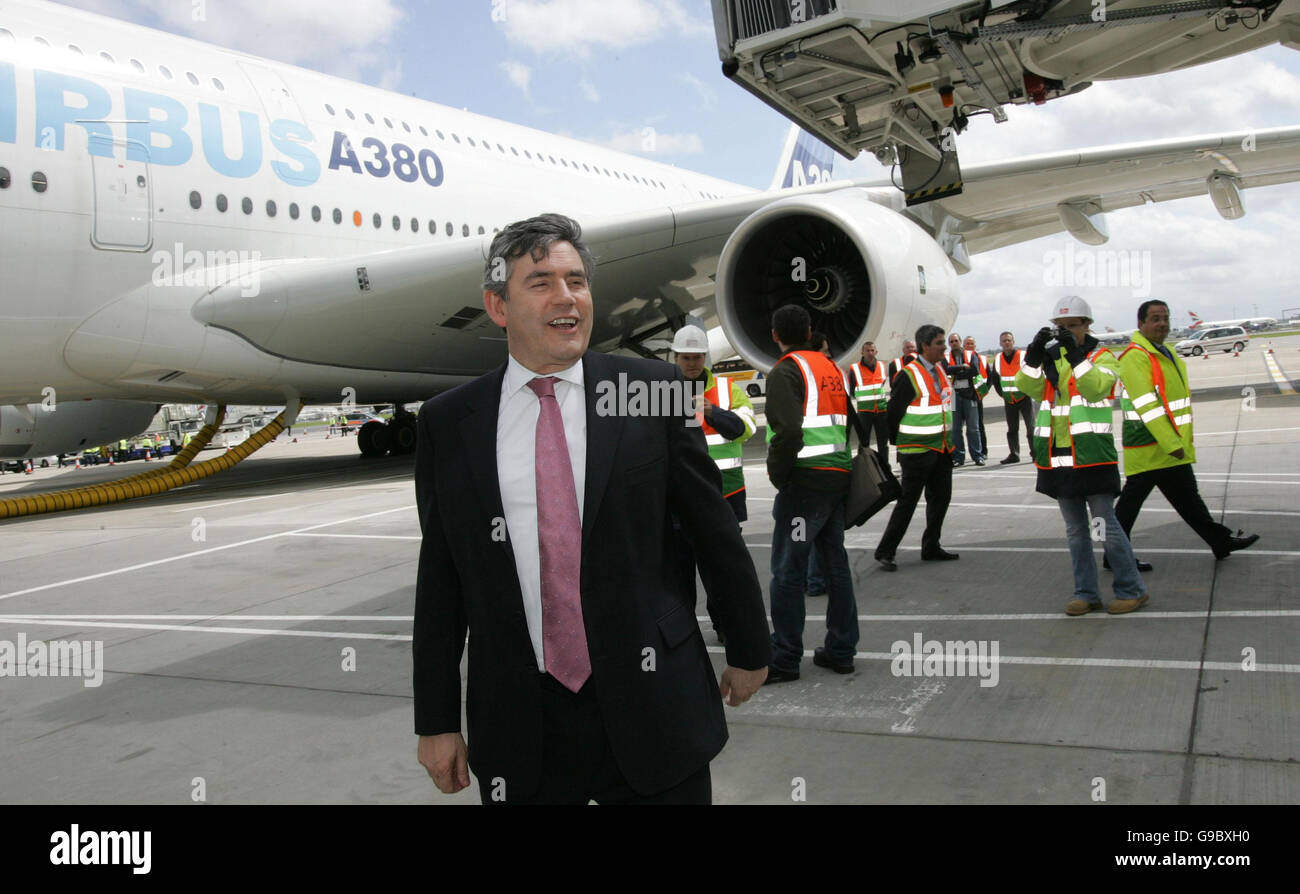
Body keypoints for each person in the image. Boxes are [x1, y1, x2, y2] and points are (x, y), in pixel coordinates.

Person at [413, 213, 770, 805]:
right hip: (523, 727)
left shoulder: (653, 392)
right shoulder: (450, 423)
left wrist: (749, 646)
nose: (567, 298)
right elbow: (442, 579)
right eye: (542, 282)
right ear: (498, 306)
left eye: (577, 280)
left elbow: (713, 531)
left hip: (657, 705)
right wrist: (437, 719)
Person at [1015, 297, 1148, 615]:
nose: (1066, 331)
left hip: (1092, 455)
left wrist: (1076, 358)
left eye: (1073, 325)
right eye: (1061, 326)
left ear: (1088, 324)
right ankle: (1086, 593)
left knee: (1106, 525)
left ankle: (1131, 589)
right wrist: (1032, 360)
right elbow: (1026, 389)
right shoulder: (1053, 358)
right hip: (1059, 457)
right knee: (1076, 531)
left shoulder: (1103, 356)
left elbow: (1097, 389)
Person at [1113, 299, 1260, 564]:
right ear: (1141, 324)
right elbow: (1148, 405)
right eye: (1155, 318)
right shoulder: (1136, 357)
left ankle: (1220, 542)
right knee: (1130, 507)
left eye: (1165, 318)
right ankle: (1116, 555)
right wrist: (1172, 443)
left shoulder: (1165, 352)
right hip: (1151, 448)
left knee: (1188, 501)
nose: (1162, 323)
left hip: (1167, 447)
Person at [764, 304, 860, 682]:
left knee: (787, 571)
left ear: (775, 335)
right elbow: (848, 419)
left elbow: (787, 432)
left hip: (805, 486)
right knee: (835, 566)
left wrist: (779, 475)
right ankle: (841, 649)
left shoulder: (786, 370)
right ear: (808, 331)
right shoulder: (830, 367)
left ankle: (785, 656)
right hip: (837, 478)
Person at [670, 323, 758, 643]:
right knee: (679, 571)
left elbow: (746, 428)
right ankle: (684, 630)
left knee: (722, 568)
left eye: (697, 357)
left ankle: (725, 626)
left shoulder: (726, 390)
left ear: (705, 357)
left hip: (724, 493)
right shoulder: (659, 393)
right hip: (678, 499)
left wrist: (713, 412)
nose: (692, 363)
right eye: (686, 357)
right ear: (675, 357)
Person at [874, 324, 959, 570]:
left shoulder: (941, 371)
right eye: (940, 343)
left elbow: (946, 406)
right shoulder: (908, 375)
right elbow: (893, 414)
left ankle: (931, 546)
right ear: (925, 346)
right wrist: (899, 443)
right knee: (908, 502)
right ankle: (885, 551)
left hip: (941, 448)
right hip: (917, 451)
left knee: (941, 499)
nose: (944, 347)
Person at [989, 331, 1034, 464]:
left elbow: (1032, 373)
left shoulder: (1022, 356)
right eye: (1004, 341)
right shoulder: (998, 358)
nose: (1006, 343)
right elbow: (995, 378)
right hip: (1009, 399)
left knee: (1030, 427)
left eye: (1009, 340)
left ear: (1013, 342)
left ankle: (1035, 453)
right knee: (1012, 429)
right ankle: (1014, 454)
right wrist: (1002, 394)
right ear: (1000, 343)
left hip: (1024, 397)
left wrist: (1028, 391)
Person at [943, 332, 987, 466]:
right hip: (954, 396)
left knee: (973, 427)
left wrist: (956, 371)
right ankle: (959, 457)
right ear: (949, 344)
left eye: (956, 340)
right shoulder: (945, 357)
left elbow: (974, 370)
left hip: (969, 394)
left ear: (960, 341)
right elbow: (945, 370)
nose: (954, 343)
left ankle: (977, 456)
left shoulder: (971, 355)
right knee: (955, 428)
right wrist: (962, 367)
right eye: (951, 341)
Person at [848, 341, 889, 466]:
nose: (870, 353)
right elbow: (852, 390)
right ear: (862, 352)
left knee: (883, 443)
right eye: (867, 350)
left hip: (881, 410)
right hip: (865, 412)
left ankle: (885, 467)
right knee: (864, 442)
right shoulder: (855, 368)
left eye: (872, 350)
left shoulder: (882, 365)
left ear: (876, 352)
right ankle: (864, 467)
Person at [964, 336, 990, 463]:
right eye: (967, 344)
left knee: (979, 425)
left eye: (971, 344)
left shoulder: (983, 359)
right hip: (962, 396)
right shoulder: (960, 358)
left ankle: (983, 451)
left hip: (978, 395)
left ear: (975, 346)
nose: (969, 346)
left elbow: (990, 377)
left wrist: (985, 390)